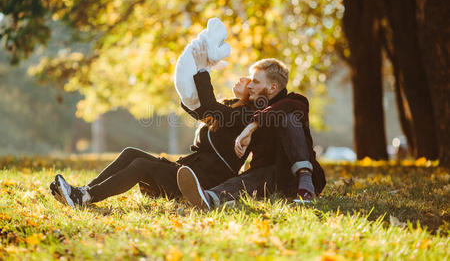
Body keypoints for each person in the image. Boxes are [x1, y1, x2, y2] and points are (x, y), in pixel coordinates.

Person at [50, 42, 303, 208]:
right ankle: (83, 191)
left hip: (203, 179)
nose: (244, 79)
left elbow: (211, 108)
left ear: (263, 90)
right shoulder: (234, 107)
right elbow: (201, 110)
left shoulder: (250, 114)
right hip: (189, 167)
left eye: (252, 80)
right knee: (130, 153)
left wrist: (203, 70)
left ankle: (85, 198)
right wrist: (192, 78)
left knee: (140, 164)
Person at [177, 56, 326, 209]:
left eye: (256, 82)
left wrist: (252, 126)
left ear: (273, 88)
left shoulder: (295, 101)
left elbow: (280, 109)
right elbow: (211, 111)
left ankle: (305, 185)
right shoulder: (253, 110)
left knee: (288, 118)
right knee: (250, 178)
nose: (250, 86)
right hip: (271, 177)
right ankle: (209, 198)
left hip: (298, 176)